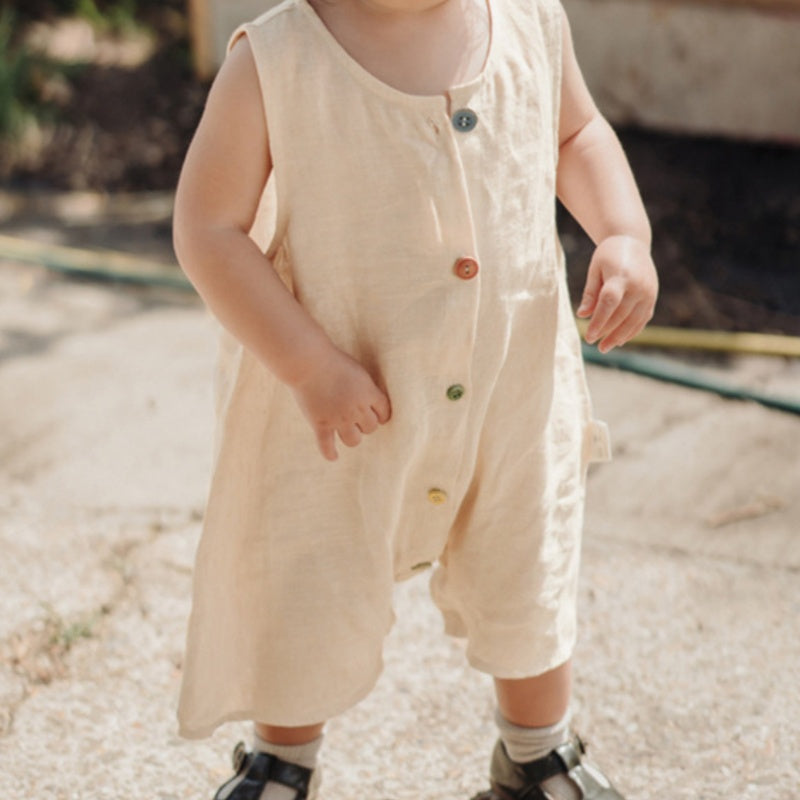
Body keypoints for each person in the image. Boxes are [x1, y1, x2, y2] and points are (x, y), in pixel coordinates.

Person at [172, 0, 658, 795]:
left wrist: (623, 233)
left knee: (525, 566)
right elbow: (208, 229)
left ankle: (537, 750)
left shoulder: (531, 22)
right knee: (307, 577)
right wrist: (307, 365)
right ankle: (282, 758)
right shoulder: (276, 61)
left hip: (508, 395)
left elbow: (575, 133)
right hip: (341, 402)